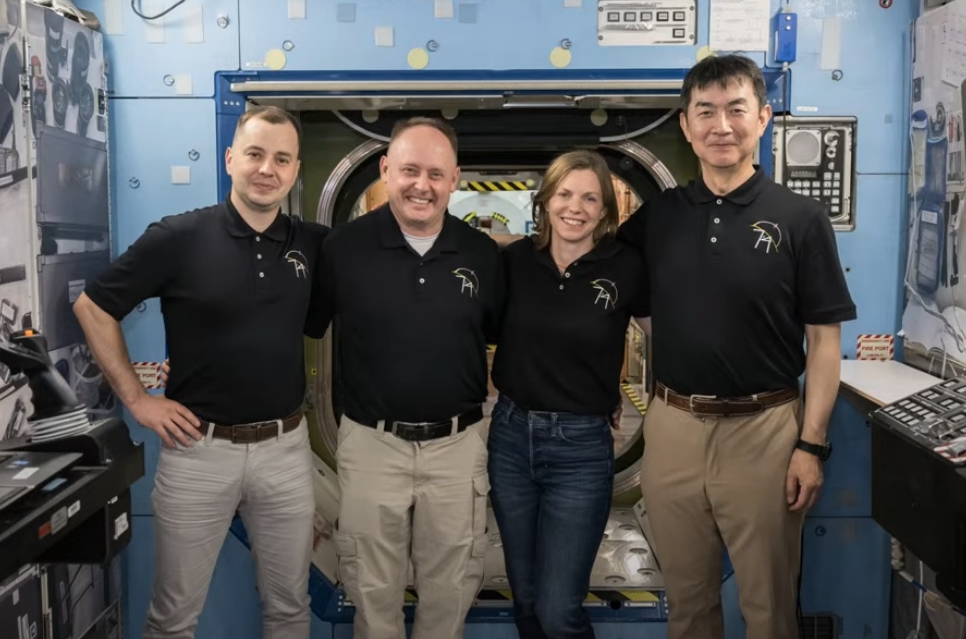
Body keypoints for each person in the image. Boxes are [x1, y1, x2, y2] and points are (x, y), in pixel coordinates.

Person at [616, 54, 856, 639]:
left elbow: (825, 342)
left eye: (736, 109)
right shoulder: (658, 218)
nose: (721, 125)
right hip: (672, 427)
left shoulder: (799, 218)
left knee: (769, 609)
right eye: (706, 112)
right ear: (685, 125)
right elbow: (598, 281)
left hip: (766, 429)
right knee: (687, 605)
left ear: (765, 118)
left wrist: (811, 445)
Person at [73, 105, 325, 639]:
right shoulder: (178, 238)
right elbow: (93, 307)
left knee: (290, 608)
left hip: (286, 451)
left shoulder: (313, 244)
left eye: (282, 159)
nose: (267, 169)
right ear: (231, 158)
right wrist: (139, 401)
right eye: (255, 154)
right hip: (198, 454)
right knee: (173, 618)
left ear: (295, 171)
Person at [305, 116, 502, 639]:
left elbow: (508, 334)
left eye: (436, 174)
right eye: (409, 170)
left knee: (452, 588)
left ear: (455, 178)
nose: (422, 185)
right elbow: (294, 322)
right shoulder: (342, 249)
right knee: (372, 591)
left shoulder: (481, 254)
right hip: (372, 444)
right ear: (385, 169)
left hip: (458, 447)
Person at [487, 149, 651, 639]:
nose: (574, 207)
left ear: (604, 210)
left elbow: (665, 339)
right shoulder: (515, 261)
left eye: (589, 198)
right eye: (564, 194)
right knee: (527, 601)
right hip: (512, 440)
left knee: (559, 611)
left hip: (580, 449)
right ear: (545, 201)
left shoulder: (625, 266)